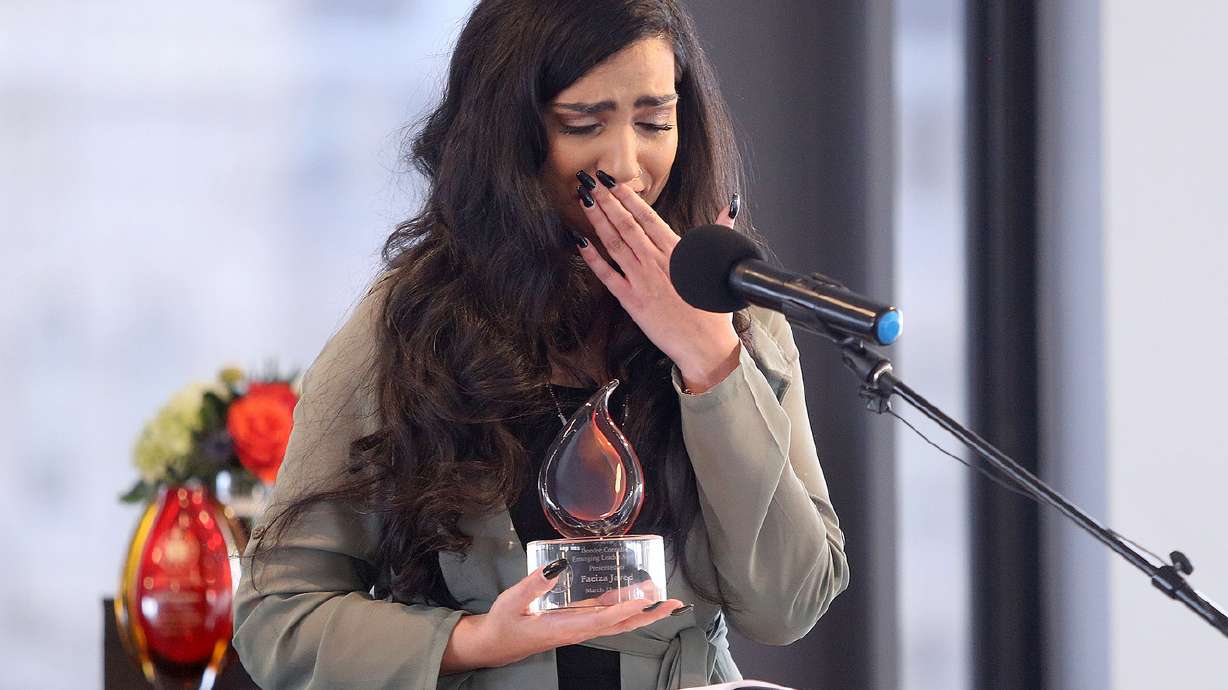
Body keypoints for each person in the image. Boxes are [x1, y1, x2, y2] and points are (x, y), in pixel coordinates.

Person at [232, 1, 849, 688]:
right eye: (583, 124)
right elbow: (277, 618)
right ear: (510, 135)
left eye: (654, 122)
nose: (627, 165)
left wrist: (711, 363)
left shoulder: (737, 318)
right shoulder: (409, 327)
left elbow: (787, 607)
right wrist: (474, 640)